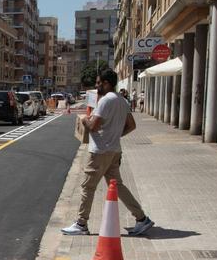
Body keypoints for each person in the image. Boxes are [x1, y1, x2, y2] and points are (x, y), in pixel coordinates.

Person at [62, 68, 154, 236]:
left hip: (99, 151)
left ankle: (81, 224)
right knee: (118, 186)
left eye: (98, 83)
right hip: (114, 150)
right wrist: (116, 135)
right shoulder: (121, 100)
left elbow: (94, 126)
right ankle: (142, 219)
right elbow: (132, 125)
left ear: (106, 83)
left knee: (87, 186)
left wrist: (84, 120)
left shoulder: (105, 101)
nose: (96, 86)